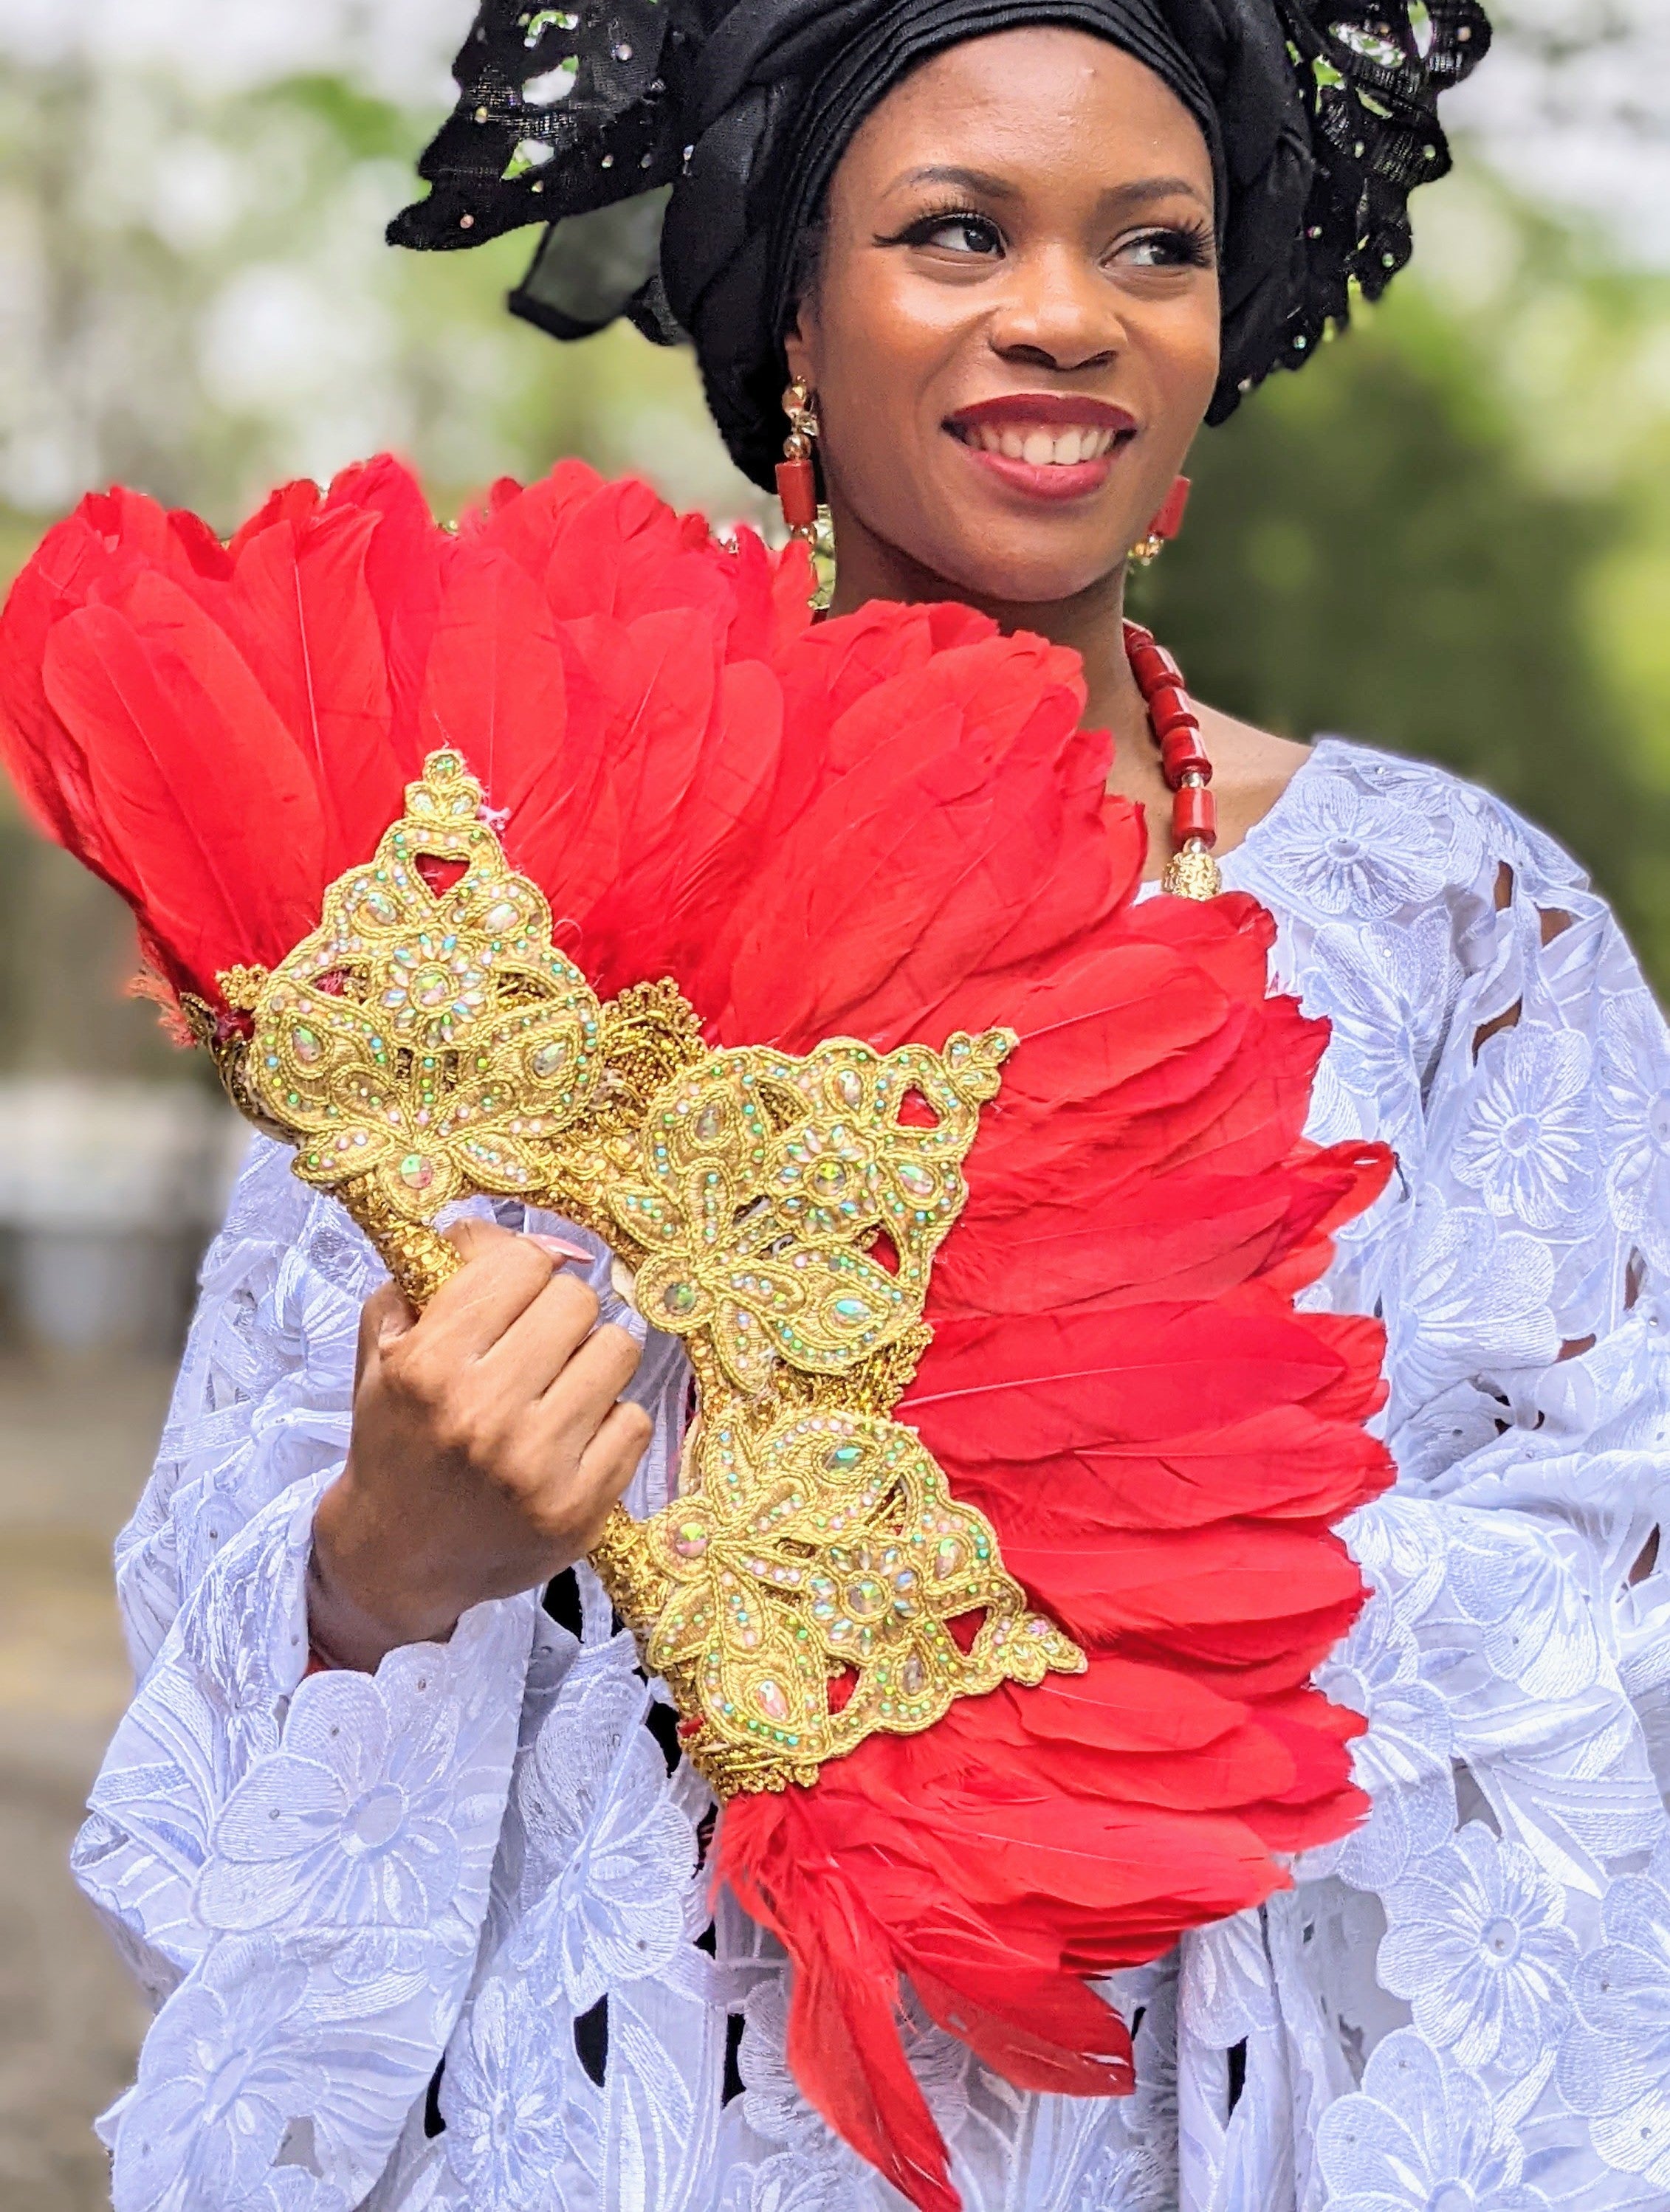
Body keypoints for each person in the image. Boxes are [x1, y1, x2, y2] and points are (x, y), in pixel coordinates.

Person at [72, 0, 1670, 2204]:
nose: (1063, 316)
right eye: (954, 231)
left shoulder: (1462, 929)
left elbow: (1623, 1590)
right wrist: (395, 1562)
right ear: (798, 318)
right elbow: (230, 1629)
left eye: (1153, 248)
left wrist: (1179, 1569)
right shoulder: (492, 889)